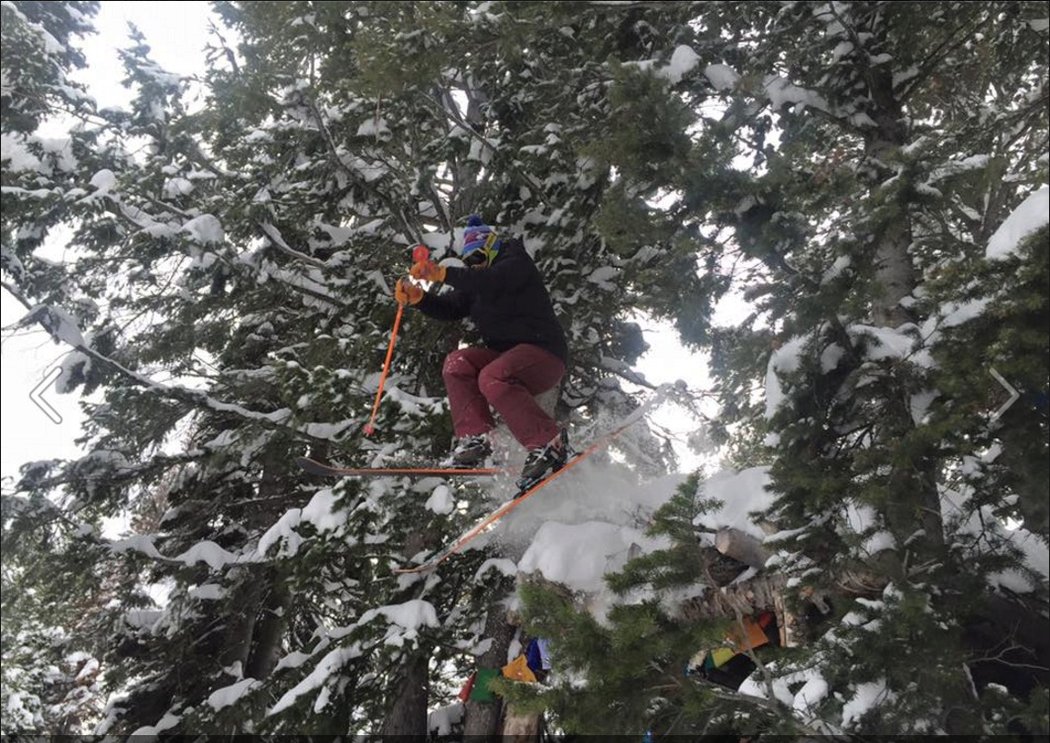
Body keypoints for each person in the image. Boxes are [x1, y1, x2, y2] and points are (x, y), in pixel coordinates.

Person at [394, 215, 569, 485]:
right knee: (458, 362)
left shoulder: (514, 263)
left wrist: (443, 273)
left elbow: (494, 280)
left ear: (491, 248)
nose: (474, 266)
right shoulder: (478, 283)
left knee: (491, 376)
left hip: (543, 353)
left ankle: (549, 442)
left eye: (477, 258)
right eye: (468, 262)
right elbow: (451, 307)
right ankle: (477, 439)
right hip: (507, 359)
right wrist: (420, 300)